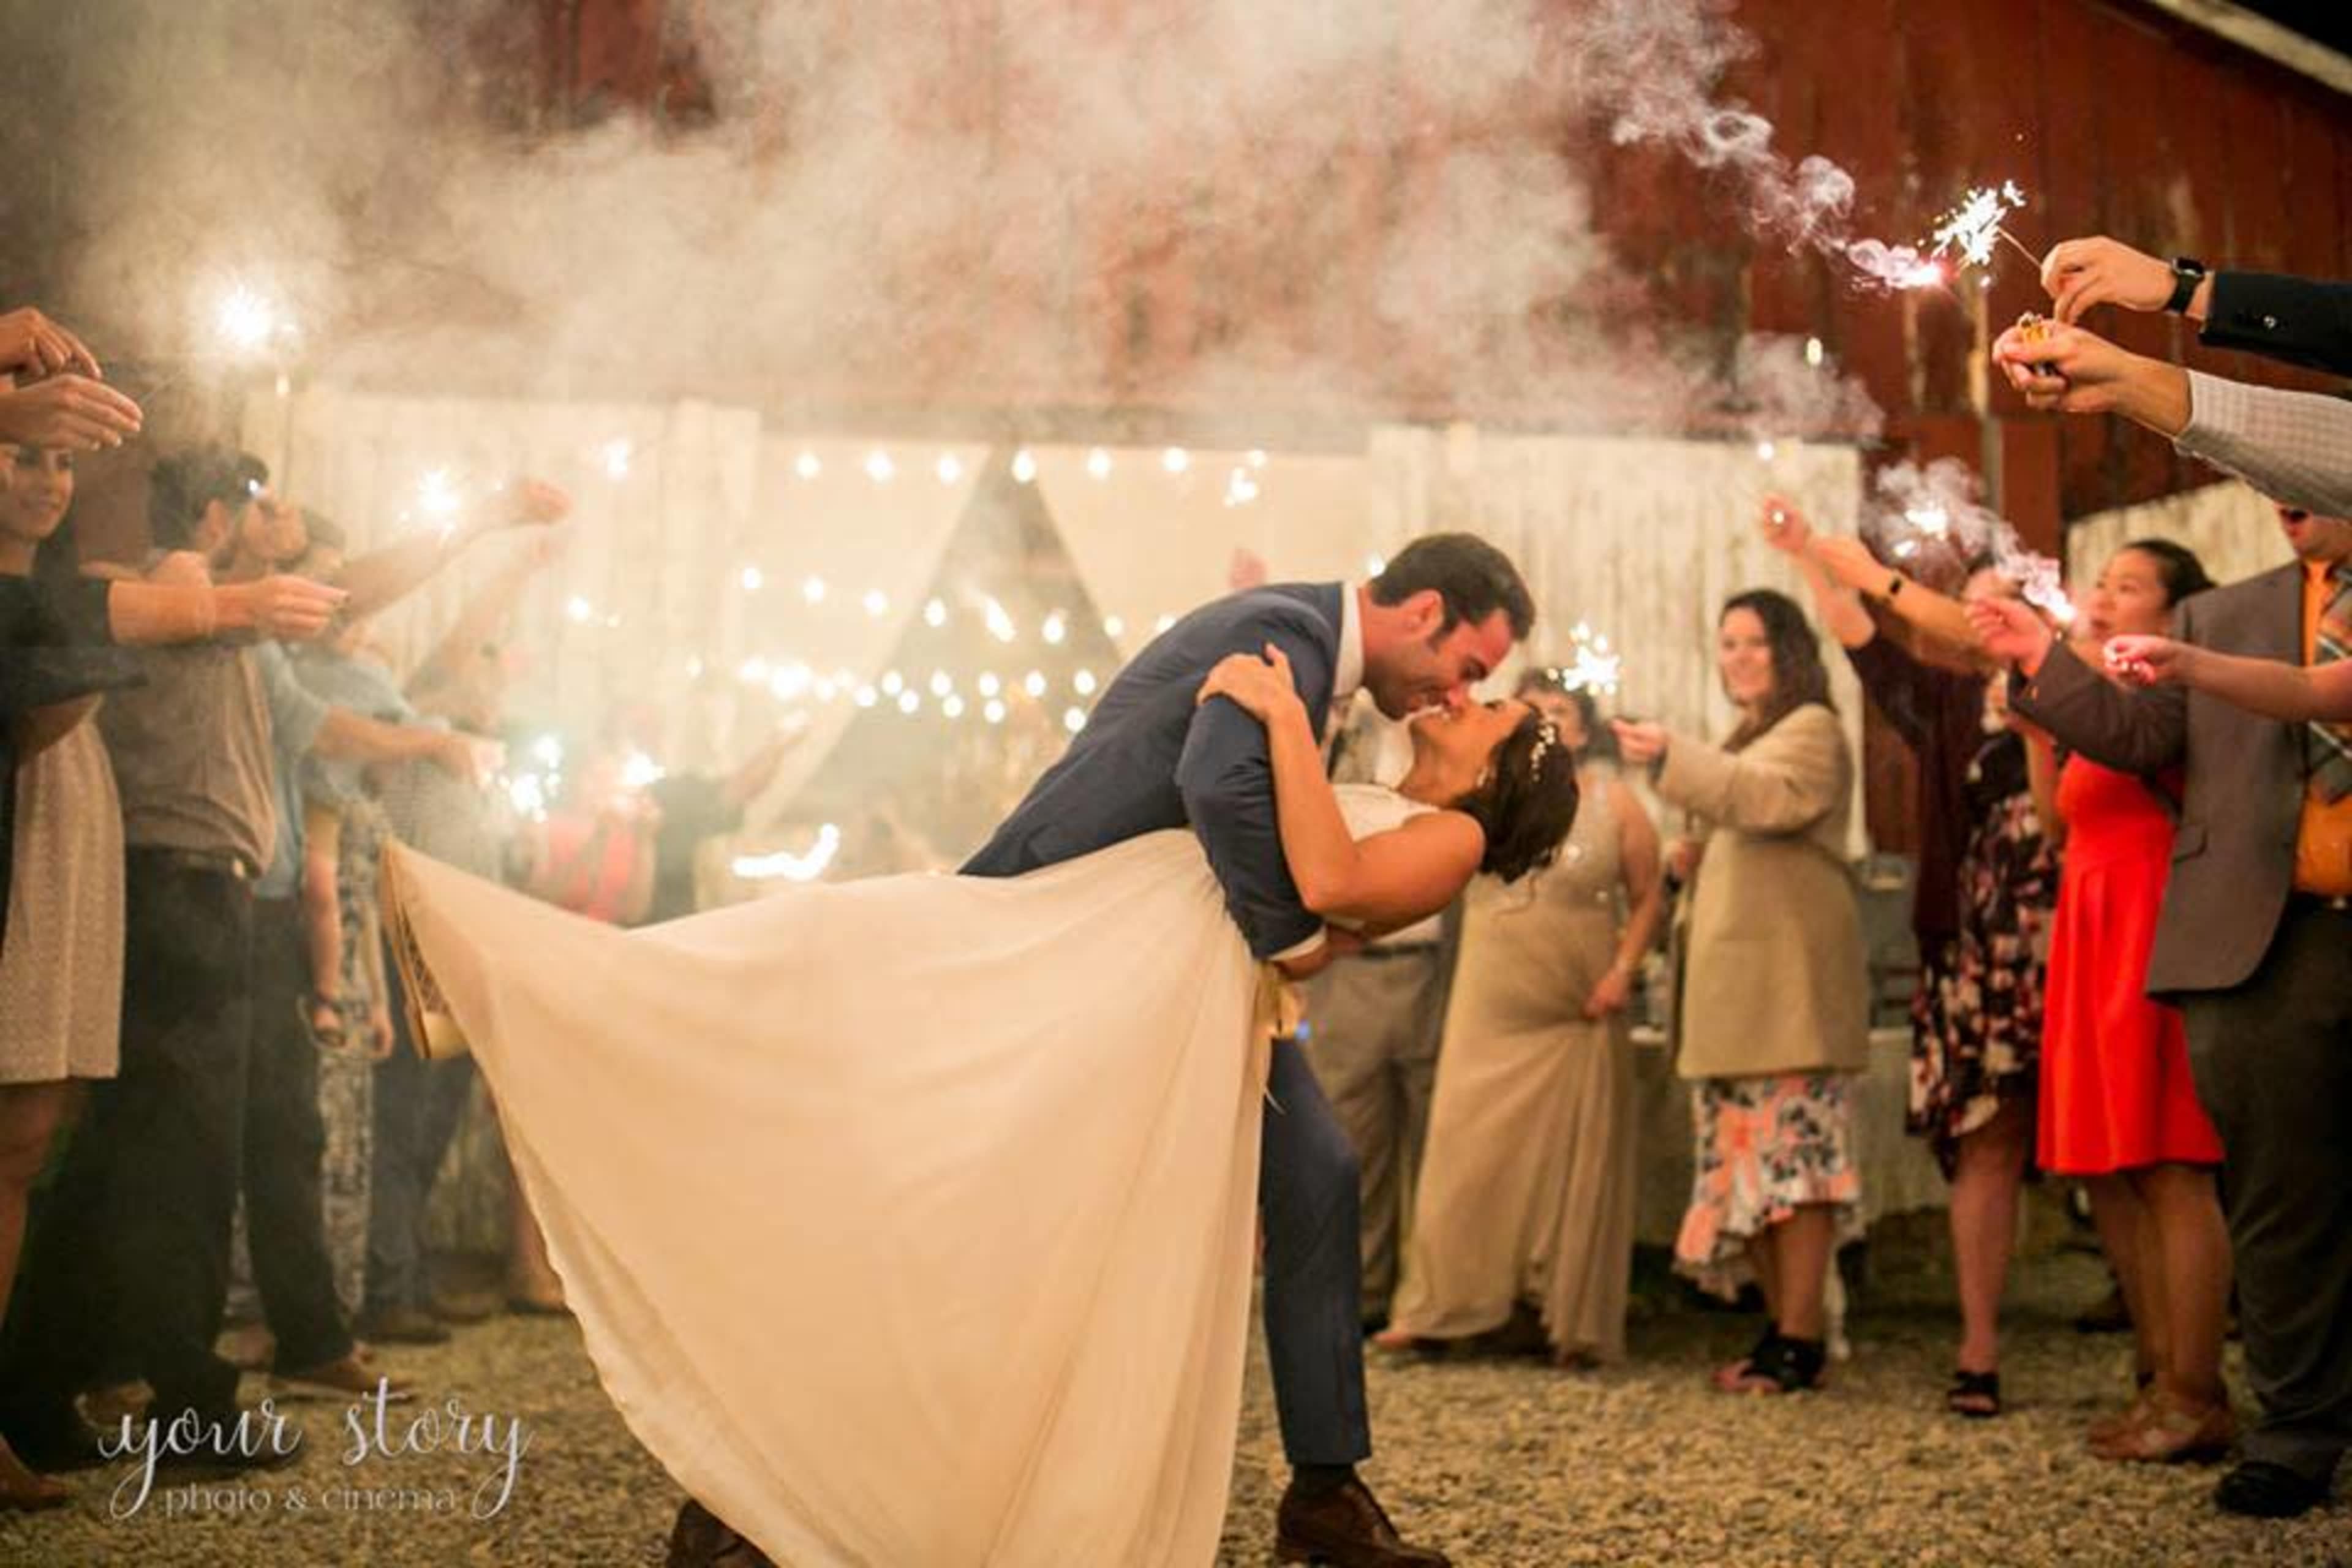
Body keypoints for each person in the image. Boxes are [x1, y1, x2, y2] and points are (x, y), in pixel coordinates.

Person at [381, 535, 1559, 1568]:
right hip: (1073, 951)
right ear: (1421, 615)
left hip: (1181, 989)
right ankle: (742, 1484)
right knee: (899, 1146)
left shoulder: (1328, 687)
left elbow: (1312, 873)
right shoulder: (1283, 636)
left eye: (1482, 694)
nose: (1460, 691)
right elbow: (1219, 788)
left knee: (1313, 1181)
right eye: (1467, 667)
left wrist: (1294, 937)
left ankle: (1323, 1491)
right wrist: (1295, 935)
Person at [1972, 504, 2352, 1518]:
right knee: (2279, 1199)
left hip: (2238, 911)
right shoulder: (2233, 612)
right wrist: (2040, 662)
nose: (2279, 491)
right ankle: (2293, 1429)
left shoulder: (2214, 632)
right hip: (2278, 930)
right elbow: (2138, 738)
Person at [0, 443, 338, 1509]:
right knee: (180, 1162)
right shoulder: (155, 588)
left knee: (92, 1157)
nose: (279, 526)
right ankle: (187, 1407)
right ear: (210, 515)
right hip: (174, 888)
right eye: (260, 507)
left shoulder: (207, 600)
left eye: (60, 462)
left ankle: (38, 1395)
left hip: (178, 887)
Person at [1763, 497, 2058, 1417]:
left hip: (2065, 947)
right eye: (1965, 604)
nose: (1975, 618)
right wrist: (1808, 552)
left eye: (1993, 601)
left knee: (2120, 1154)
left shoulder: (2074, 691)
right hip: (1970, 957)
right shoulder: (1950, 704)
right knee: (1982, 1143)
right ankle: (1979, 1351)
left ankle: (2162, 1352)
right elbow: (1864, 643)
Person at [1970, 540, 2235, 1468]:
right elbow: (2056, 820)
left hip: (2151, 922)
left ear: (2175, 612)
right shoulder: (2085, 697)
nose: (2107, 598)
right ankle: (2158, 1376)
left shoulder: (2167, 692)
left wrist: (2043, 659)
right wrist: (2042, 736)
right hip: (2090, 924)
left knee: (2171, 1162)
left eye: (2130, 586)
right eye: (2105, 583)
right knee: (2115, 1165)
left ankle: (2198, 1389)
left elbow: (2135, 747)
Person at [1612, 588, 1868, 1396]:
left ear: (1790, 651)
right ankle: (1779, 1330)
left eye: (1755, 642)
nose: (1739, 656)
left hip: (1786, 995)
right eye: (1727, 644)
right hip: (1734, 1002)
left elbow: (1767, 799)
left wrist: (1670, 759)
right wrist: (1695, 858)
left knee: (1795, 1173)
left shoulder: (1814, 729)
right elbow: (1737, 804)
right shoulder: (1749, 736)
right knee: (1747, 1173)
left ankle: (1801, 1340)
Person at [1378, 671, 1663, 1365]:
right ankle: (1440, 1306)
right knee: (1464, 1147)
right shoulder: (1483, 795)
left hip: (1578, 1006)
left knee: (1571, 1156)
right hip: (1492, 999)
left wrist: (1624, 969)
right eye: (1533, 712)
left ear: (1584, 729)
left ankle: (1560, 1312)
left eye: (1560, 712)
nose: (1546, 722)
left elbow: (1650, 894)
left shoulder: (1615, 801)